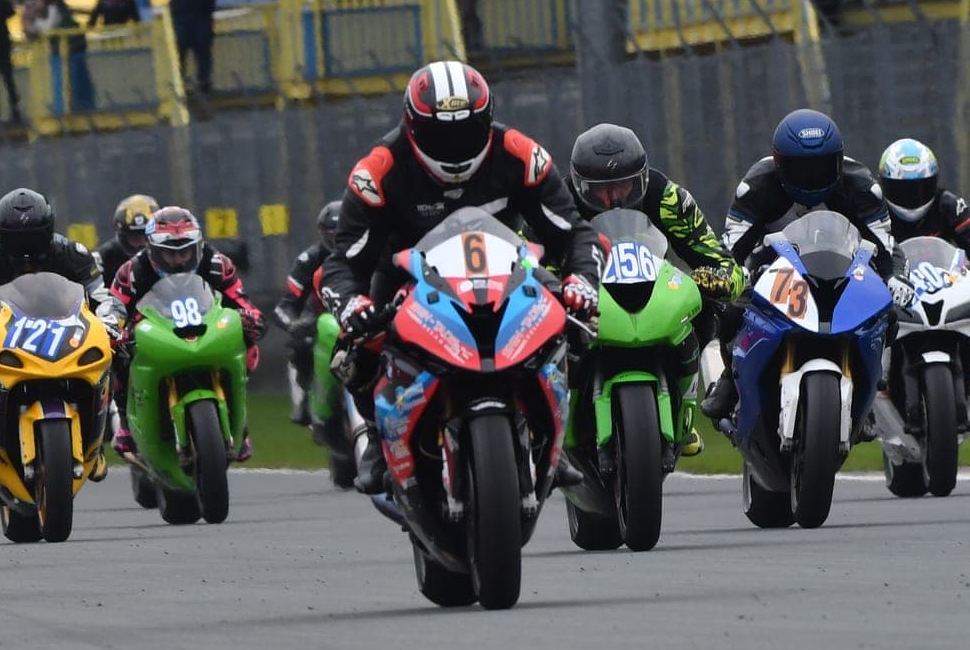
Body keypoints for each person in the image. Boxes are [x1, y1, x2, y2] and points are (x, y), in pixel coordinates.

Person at [320, 62, 600, 491]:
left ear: (487, 122)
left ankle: (552, 439)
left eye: (466, 132)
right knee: (353, 350)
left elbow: (572, 232)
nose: (453, 145)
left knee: (578, 323)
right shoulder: (377, 171)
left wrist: (581, 282)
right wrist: (353, 305)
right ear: (411, 126)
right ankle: (380, 441)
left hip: (506, 269)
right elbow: (343, 261)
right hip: (407, 279)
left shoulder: (521, 154)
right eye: (440, 134)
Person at [697, 109, 897, 423]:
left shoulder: (860, 186)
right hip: (773, 269)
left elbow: (886, 247)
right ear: (779, 164)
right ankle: (730, 380)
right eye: (800, 169)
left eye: (821, 168)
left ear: (839, 161)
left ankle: (867, 387)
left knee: (889, 312)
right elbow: (732, 249)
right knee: (731, 311)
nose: (812, 178)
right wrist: (731, 278)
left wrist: (892, 279)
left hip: (843, 270)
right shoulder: (756, 186)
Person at [566, 123, 743, 455]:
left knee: (707, 309)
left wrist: (720, 278)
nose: (613, 199)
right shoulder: (561, 204)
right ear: (578, 185)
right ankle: (552, 417)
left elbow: (718, 256)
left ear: (643, 178)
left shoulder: (666, 195)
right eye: (599, 190)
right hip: (587, 292)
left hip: (653, 286)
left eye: (624, 187)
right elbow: (529, 254)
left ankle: (685, 413)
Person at [0, 188, 107, 469]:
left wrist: (109, 324)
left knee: (107, 356)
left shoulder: (72, 253)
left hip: (64, 320)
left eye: (35, 237)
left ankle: (95, 440)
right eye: (16, 240)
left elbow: (103, 298)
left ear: (49, 231)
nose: (26, 249)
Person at [98, 205, 264, 460]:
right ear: (152, 250)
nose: (178, 260)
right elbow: (116, 309)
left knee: (248, 344)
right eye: (169, 254)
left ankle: (239, 423)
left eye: (186, 252)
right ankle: (125, 424)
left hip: (206, 326)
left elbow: (240, 301)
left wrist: (250, 318)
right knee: (119, 358)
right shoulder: (131, 272)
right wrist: (117, 331)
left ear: (197, 246)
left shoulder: (218, 263)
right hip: (155, 329)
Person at [273, 200, 346, 424]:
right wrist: (294, 324)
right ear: (322, 233)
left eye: (342, 234)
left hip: (360, 319)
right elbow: (284, 306)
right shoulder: (309, 260)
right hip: (321, 321)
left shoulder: (370, 252)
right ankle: (304, 399)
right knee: (300, 346)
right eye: (331, 235)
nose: (337, 241)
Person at [876, 139, 970, 249]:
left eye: (919, 187)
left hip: (940, 265)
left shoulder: (950, 205)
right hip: (891, 265)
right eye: (902, 189)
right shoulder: (875, 210)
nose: (910, 196)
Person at [160, 0, 221, 98]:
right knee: (180, 50)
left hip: (201, 16)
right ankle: (181, 84)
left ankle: (204, 82)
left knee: (202, 50)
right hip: (181, 17)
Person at [100, 193, 160, 283]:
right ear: (123, 238)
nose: (143, 243)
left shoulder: (171, 255)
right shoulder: (104, 258)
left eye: (147, 237)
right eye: (136, 238)